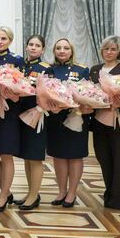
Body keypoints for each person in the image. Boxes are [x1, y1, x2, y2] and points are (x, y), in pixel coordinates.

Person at [90, 35, 120, 210]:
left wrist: (119, 100)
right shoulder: (95, 69)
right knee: (104, 159)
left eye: (113, 49)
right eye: (106, 49)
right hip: (99, 122)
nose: (109, 52)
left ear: (119, 52)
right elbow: (88, 93)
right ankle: (110, 192)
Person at [46, 38, 90, 208]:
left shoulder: (82, 70)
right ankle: (61, 191)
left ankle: (72, 193)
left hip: (76, 117)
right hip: (55, 118)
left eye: (65, 48)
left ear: (71, 51)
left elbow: (88, 93)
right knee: (58, 155)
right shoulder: (49, 70)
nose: (62, 51)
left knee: (75, 155)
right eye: (58, 48)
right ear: (54, 51)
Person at [0, 26, 24, 212]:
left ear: (10, 40)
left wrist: (12, 92)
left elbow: (23, 86)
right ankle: (5, 192)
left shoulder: (17, 60)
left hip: (10, 113)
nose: (0, 41)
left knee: (6, 155)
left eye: (3, 38)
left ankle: (3, 195)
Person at [16, 34, 54, 210]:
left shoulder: (46, 68)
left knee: (35, 157)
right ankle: (30, 192)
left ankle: (33, 196)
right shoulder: (20, 66)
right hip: (21, 115)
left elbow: (52, 93)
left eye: (37, 45)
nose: (33, 47)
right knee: (26, 157)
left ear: (43, 49)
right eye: (30, 44)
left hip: (38, 116)